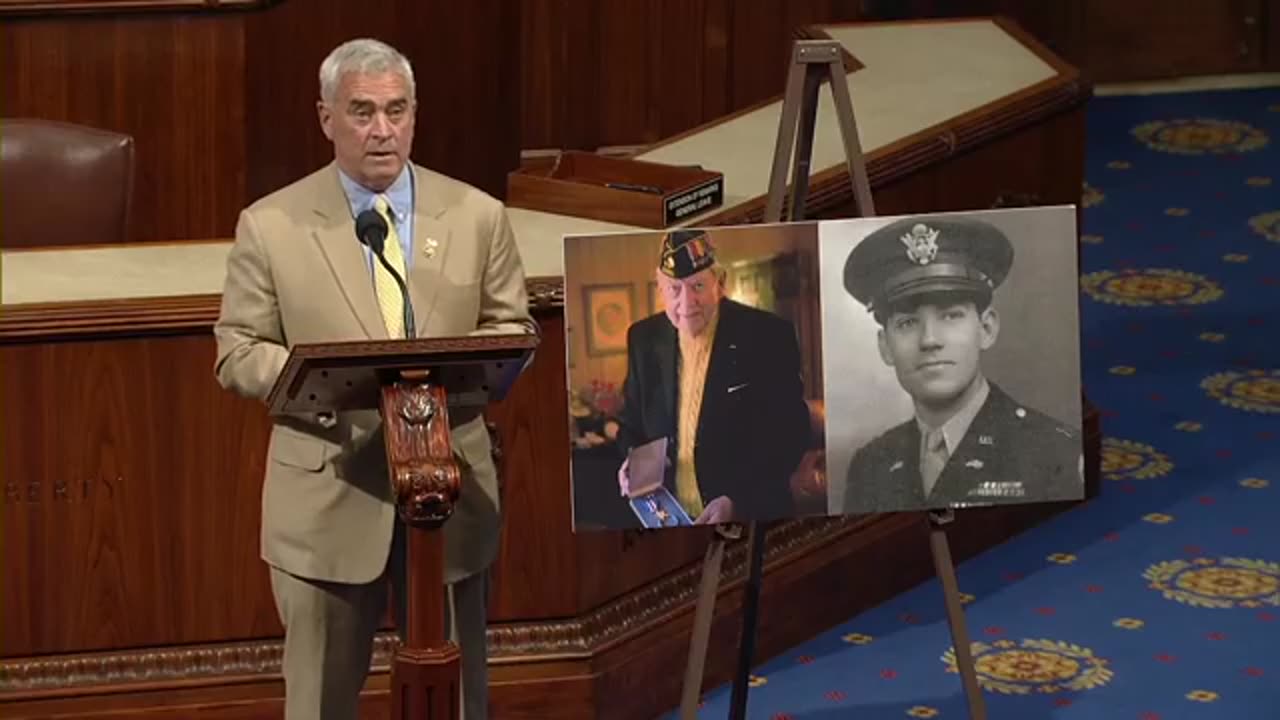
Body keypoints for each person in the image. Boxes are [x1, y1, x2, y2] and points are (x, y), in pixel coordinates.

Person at [212, 38, 536, 720]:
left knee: (457, 699)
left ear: (415, 115)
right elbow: (237, 350)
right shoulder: (271, 225)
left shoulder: (477, 216)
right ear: (326, 118)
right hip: (329, 490)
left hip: (448, 489)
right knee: (322, 703)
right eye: (361, 111)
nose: (381, 130)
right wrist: (330, 379)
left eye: (396, 110)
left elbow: (509, 333)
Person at [838, 215, 1083, 514]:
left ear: (986, 328)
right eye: (907, 322)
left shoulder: (1054, 453)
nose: (929, 340)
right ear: (885, 346)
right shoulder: (870, 467)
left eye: (950, 316)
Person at [614, 228, 812, 525]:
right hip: (670, 518)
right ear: (660, 289)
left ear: (719, 283)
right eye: (674, 289)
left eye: (697, 286)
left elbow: (791, 434)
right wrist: (633, 462)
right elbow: (631, 425)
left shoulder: (768, 335)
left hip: (751, 519)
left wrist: (740, 502)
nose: (685, 304)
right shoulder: (643, 338)